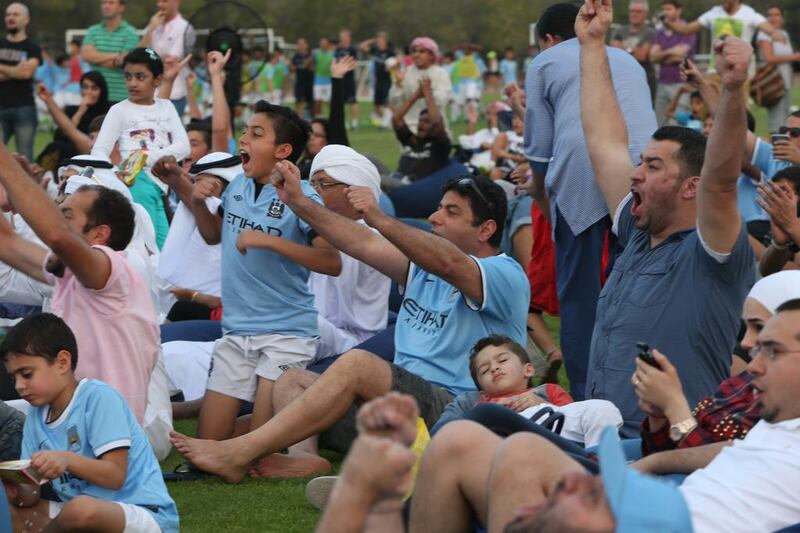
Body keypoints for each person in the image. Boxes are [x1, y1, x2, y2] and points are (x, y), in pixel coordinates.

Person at [169, 169, 529, 483]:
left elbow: (451, 265)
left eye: (451, 212)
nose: (435, 217)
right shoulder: (422, 266)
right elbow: (359, 242)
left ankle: (238, 453)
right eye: (438, 207)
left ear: (486, 229)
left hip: (452, 409)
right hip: (395, 410)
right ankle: (304, 458)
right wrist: (298, 202)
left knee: (357, 364)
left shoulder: (504, 274)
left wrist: (380, 218)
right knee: (292, 378)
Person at [409, 293, 800, 533]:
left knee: (518, 450)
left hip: (656, 519)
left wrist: (677, 406)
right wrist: (658, 447)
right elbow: (725, 448)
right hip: (650, 493)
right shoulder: (776, 425)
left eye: (772, 351)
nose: (752, 364)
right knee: (459, 440)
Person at [581, 0, 755, 438]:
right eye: (641, 162)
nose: (636, 173)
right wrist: (591, 46)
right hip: (594, 438)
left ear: (689, 187)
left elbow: (720, 183)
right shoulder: (636, 234)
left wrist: (733, 89)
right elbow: (603, 141)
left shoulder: (711, 255)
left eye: (654, 166)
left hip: (667, 449)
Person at [185, 100, 341, 444]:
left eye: (256, 133)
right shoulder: (238, 185)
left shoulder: (304, 198)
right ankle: (295, 422)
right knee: (211, 438)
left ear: (282, 150)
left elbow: (332, 262)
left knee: (260, 440)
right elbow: (214, 235)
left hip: (286, 333)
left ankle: (305, 424)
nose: (244, 138)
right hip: (237, 330)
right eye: (245, 130)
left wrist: (271, 242)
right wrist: (196, 201)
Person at [523, 2, 656, 401]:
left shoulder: (545, 62)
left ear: (548, 39)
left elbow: (539, 148)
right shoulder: (629, 60)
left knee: (580, 297)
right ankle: (638, 392)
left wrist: (540, 193)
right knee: (636, 287)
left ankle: (585, 398)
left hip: (581, 167)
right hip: (644, 167)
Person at [1, 313, 179, 533]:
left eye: (26, 374)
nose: (19, 386)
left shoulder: (97, 398)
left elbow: (115, 476)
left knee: (80, 510)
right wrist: (16, 488)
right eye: (13, 378)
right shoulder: (35, 418)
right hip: (74, 514)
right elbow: (31, 497)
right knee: (9, 513)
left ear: (62, 362)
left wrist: (66, 460)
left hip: (139, 512)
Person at [433, 335, 622, 447]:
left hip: (556, 430)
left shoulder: (547, 390)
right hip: (512, 443)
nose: (494, 368)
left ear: (528, 370)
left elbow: (574, 414)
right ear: (483, 392)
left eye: (502, 360)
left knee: (602, 408)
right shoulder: (483, 405)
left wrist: (544, 404)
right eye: (484, 370)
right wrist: (495, 412)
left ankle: (599, 459)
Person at [90, 47, 190, 248]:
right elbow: (99, 152)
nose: (132, 83)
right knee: (150, 250)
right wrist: (113, 177)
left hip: (161, 187)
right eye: (128, 77)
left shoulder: (167, 107)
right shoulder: (119, 110)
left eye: (140, 77)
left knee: (162, 252)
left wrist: (145, 156)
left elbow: (184, 147)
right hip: (136, 184)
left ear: (157, 80)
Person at [663, 0, 781, 73]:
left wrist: (775, 34)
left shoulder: (749, 14)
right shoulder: (714, 13)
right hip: (715, 69)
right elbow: (687, 29)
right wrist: (668, 23)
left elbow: (770, 30)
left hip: (741, 72)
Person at [297, 56, 356, 180]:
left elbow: (337, 114)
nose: (311, 139)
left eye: (317, 135)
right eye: (309, 136)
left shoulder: (335, 155)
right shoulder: (302, 164)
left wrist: (337, 79)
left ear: (329, 140)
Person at [0, 3, 41, 161]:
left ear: (26, 19)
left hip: (25, 108)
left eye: (15, 15)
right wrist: (16, 70)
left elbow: (26, 73)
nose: (10, 18)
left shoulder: (32, 47)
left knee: (25, 158)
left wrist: (4, 68)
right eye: (8, 14)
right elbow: (22, 72)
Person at [140, 0, 195, 116]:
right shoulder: (154, 23)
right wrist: (151, 29)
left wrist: (148, 55)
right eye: (158, 1)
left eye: (164, 1)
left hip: (175, 93)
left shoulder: (184, 27)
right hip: (152, 92)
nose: (160, 4)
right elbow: (139, 55)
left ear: (176, 2)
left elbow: (171, 60)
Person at [391, 77, 450, 185]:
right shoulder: (411, 140)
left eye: (426, 122)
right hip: (396, 177)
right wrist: (417, 94)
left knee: (378, 180)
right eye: (420, 121)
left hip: (412, 186)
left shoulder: (439, 145)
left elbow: (436, 122)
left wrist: (427, 93)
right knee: (368, 157)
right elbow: (397, 119)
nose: (421, 124)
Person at [390, 36, 452, 136]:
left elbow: (443, 100)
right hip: (409, 129)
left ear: (432, 55)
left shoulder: (440, 73)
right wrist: (398, 84)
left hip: (436, 130)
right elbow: (394, 100)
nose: (416, 54)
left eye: (422, 51)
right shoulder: (405, 72)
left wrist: (427, 92)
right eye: (414, 51)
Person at [81, 0, 141, 104]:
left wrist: (95, 59)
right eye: (104, 3)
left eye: (111, 2)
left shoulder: (130, 33)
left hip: (120, 97)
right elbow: (86, 55)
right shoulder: (93, 31)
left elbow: (124, 61)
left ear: (121, 7)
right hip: (95, 98)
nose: (106, 6)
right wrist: (116, 55)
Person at [650, 0, 696, 125]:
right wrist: (671, 52)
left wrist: (662, 54)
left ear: (678, 10)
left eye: (669, 9)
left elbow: (680, 56)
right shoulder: (660, 33)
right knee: (660, 125)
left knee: (679, 126)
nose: (665, 13)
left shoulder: (687, 30)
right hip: (662, 83)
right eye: (664, 9)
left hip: (681, 84)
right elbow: (653, 57)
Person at [756, 5, 799, 134]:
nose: (773, 18)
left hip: (786, 81)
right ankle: (775, 150)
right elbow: (769, 58)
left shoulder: (784, 34)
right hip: (773, 83)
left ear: (782, 18)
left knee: (786, 118)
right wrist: (795, 56)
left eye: (776, 15)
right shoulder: (764, 34)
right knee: (776, 122)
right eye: (770, 15)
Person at [610, 0, 657, 103]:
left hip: (645, 81)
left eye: (638, 11)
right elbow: (613, 53)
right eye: (632, 11)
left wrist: (623, 47)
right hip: (622, 81)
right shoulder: (619, 30)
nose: (634, 14)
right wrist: (633, 49)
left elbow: (642, 56)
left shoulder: (650, 32)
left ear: (646, 14)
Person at [359, 32, 395, 128]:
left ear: (385, 41)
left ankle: (394, 119)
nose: (379, 42)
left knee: (387, 103)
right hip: (377, 81)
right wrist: (372, 40)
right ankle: (387, 121)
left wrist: (391, 67)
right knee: (376, 106)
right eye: (378, 41)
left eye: (381, 40)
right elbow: (362, 46)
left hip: (387, 81)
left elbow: (396, 63)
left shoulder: (390, 52)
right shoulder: (375, 51)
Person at [334, 30, 359, 130]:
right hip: (340, 78)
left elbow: (354, 63)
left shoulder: (352, 50)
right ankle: (344, 122)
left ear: (349, 38)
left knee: (352, 101)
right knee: (341, 101)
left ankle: (354, 123)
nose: (343, 39)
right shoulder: (338, 50)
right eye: (342, 37)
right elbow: (335, 62)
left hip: (349, 79)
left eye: (345, 37)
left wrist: (346, 68)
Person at [312, 37, 335, 117]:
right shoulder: (316, 53)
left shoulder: (333, 53)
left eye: (325, 43)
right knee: (318, 101)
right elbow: (312, 66)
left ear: (328, 44)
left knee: (330, 102)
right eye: (321, 43)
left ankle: (335, 117)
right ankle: (317, 117)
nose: (323, 45)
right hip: (318, 81)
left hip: (329, 81)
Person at [292, 38, 314, 117]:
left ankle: (308, 119)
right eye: (299, 44)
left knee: (309, 103)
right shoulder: (295, 56)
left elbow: (313, 69)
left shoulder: (311, 55)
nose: (300, 46)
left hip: (309, 82)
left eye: (302, 44)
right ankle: (299, 120)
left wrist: (309, 64)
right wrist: (294, 66)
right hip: (299, 83)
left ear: (306, 45)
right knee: (298, 102)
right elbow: (292, 69)